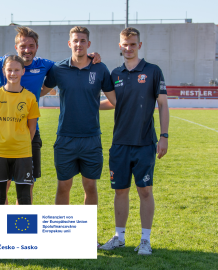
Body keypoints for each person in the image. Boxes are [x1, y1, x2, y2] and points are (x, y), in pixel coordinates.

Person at [0, 26, 102, 204]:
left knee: (26, 187)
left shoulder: (46, 65)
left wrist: (90, 57)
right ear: (16, 48)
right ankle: (4, 227)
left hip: (30, 134)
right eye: (23, 46)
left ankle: (19, 228)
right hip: (4, 136)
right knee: (3, 186)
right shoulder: (4, 61)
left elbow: (69, 66)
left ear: (37, 47)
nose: (27, 50)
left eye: (31, 46)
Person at [42, 26, 116, 248]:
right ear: (69, 43)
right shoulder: (58, 69)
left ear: (88, 44)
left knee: (90, 187)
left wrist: (94, 105)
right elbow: (39, 91)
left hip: (91, 138)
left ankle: (87, 237)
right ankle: (60, 236)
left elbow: (114, 102)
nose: (79, 44)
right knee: (63, 186)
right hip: (65, 137)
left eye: (83, 40)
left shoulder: (100, 68)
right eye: (75, 40)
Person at [99, 27, 169, 256]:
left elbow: (163, 104)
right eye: (124, 44)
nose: (128, 48)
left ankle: (145, 240)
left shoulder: (152, 71)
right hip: (119, 143)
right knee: (120, 191)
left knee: (145, 191)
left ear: (139, 45)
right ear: (120, 46)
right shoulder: (115, 74)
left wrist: (164, 137)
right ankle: (119, 237)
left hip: (145, 143)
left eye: (132, 44)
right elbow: (114, 102)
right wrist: (92, 104)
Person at [0, 55, 40, 205]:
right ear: (3, 71)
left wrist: (21, 143)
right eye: (9, 70)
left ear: (23, 71)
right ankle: (1, 228)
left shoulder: (29, 98)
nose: (13, 73)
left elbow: (32, 127)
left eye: (17, 70)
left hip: (23, 153)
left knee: (24, 199)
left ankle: (22, 229)